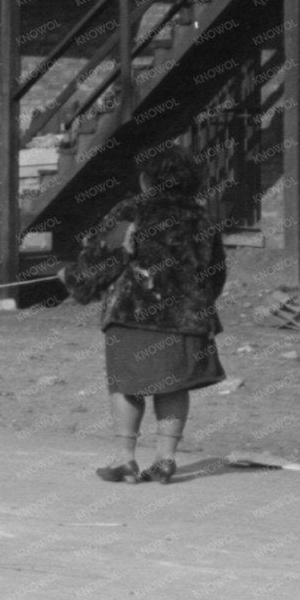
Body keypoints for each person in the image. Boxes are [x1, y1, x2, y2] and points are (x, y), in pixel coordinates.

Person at [60, 142, 227, 485]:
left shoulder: (131, 211)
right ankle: (166, 460)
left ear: (148, 179)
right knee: (173, 386)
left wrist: (72, 278)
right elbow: (216, 272)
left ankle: (126, 460)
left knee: (126, 385)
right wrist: (198, 302)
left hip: (133, 314)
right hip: (186, 318)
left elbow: (103, 257)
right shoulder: (202, 218)